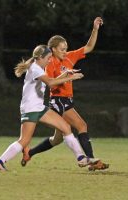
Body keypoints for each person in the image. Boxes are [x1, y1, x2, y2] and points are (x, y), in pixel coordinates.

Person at [21, 17, 109, 171]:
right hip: (58, 100)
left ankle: (29, 153)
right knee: (81, 125)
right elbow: (51, 82)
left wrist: (95, 29)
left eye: (66, 48)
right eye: (62, 49)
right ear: (53, 49)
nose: (65, 51)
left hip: (66, 100)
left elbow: (88, 47)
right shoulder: (49, 63)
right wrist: (69, 76)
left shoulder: (68, 57)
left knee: (57, 139)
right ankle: (91, 160)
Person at [0, 45, 99, 171]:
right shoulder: (35, 68)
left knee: (65, 127)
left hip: (40, 108)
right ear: (40, 57)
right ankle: (0, 161)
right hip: (31, 109)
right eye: (48, 58)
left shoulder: (38, 68)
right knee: (24, 141)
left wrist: (64, 74)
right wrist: (71, 77)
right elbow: (51, 83)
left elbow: (50, 82)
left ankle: (81, 158)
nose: (49, 60)